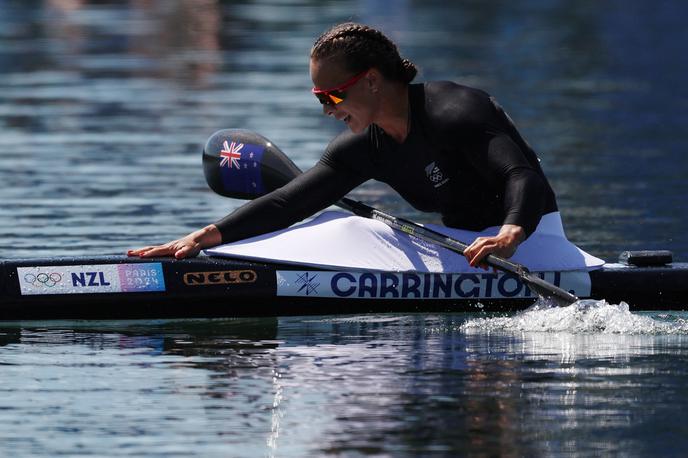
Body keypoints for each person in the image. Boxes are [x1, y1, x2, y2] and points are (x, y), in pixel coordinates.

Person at [128, 22, 558, 268]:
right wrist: (202, 238)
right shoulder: (363, 147)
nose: (327, 110)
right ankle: (226, 272)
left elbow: (520, 175)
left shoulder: (455, 109)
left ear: (371, 80)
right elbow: (287, 205)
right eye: (319, 99)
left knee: (355, 229)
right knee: (331, 225)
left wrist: (511, 233)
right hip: (463, 249)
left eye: (332, 96)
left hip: (531, 245)